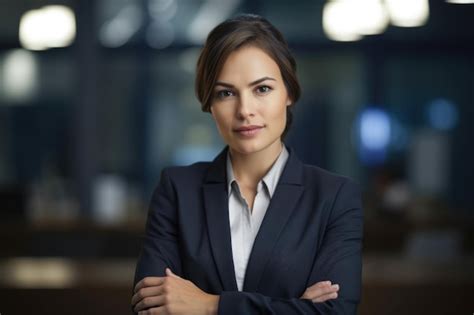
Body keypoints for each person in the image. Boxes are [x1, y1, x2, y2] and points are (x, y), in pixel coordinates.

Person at [131, 13, 363, 315]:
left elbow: (336, 312)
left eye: (262, 89)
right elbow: (149, 307)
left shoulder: (334, 197)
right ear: (209, 105)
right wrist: (296, 308)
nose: (245, 110)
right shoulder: (177, 191)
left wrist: (210, 305)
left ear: (289, 93)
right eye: (226, 93)